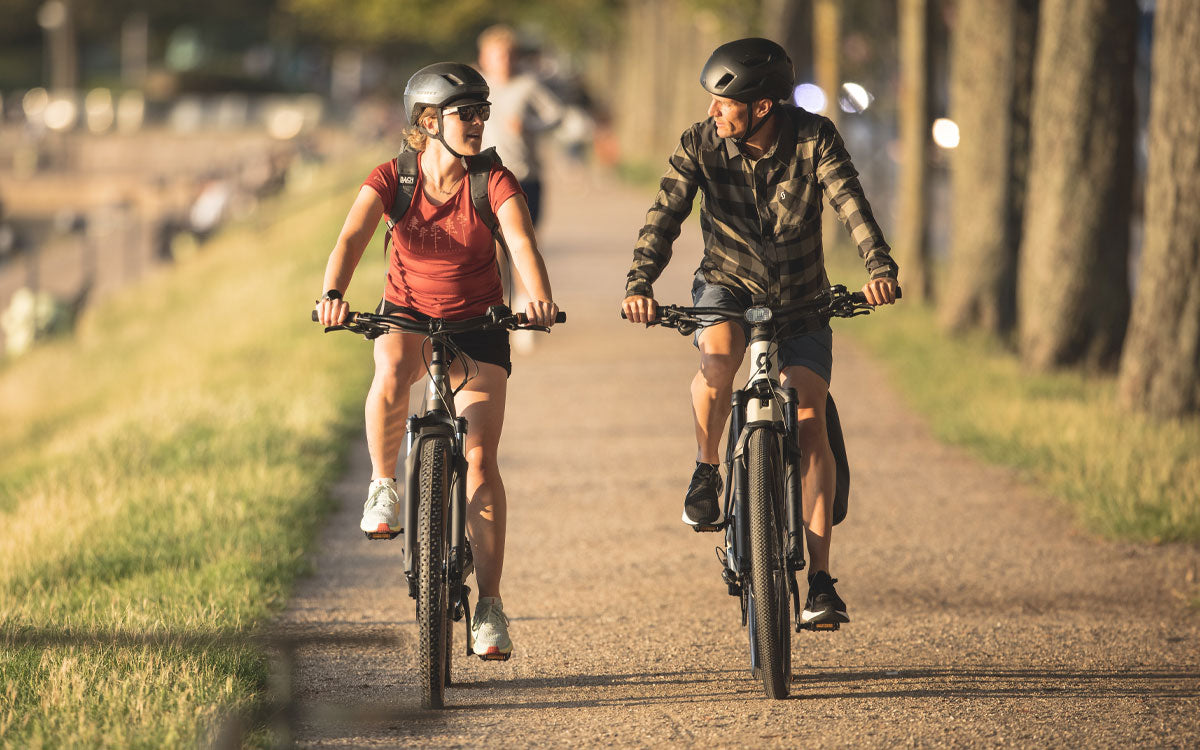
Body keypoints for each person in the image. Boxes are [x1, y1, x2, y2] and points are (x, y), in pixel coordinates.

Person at [620, 38, 898, 628]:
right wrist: (639, 282)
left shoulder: (814, 137)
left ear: (763, 106)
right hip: (726, 284)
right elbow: (664, 214)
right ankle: (706, 469)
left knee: (809, 419)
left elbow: (850, 202)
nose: (713, 112)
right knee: (718, 360)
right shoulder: (700, 144)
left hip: (801, 297)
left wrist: (879, 267)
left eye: (724, 103)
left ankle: (820, 579)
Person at [315, 62, 559, 660]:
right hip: (407, 312)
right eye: (464, 114)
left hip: (478, 325)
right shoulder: (392, 179)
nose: (477, 123)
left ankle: (491, 606)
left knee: (479, 457)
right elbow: (352, 238)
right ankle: (382, 486)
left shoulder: (492, 180)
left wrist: (539, 300)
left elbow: (521, 242)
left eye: (481, 112)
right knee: (392, 368)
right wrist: (333, 296)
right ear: (428, 122)